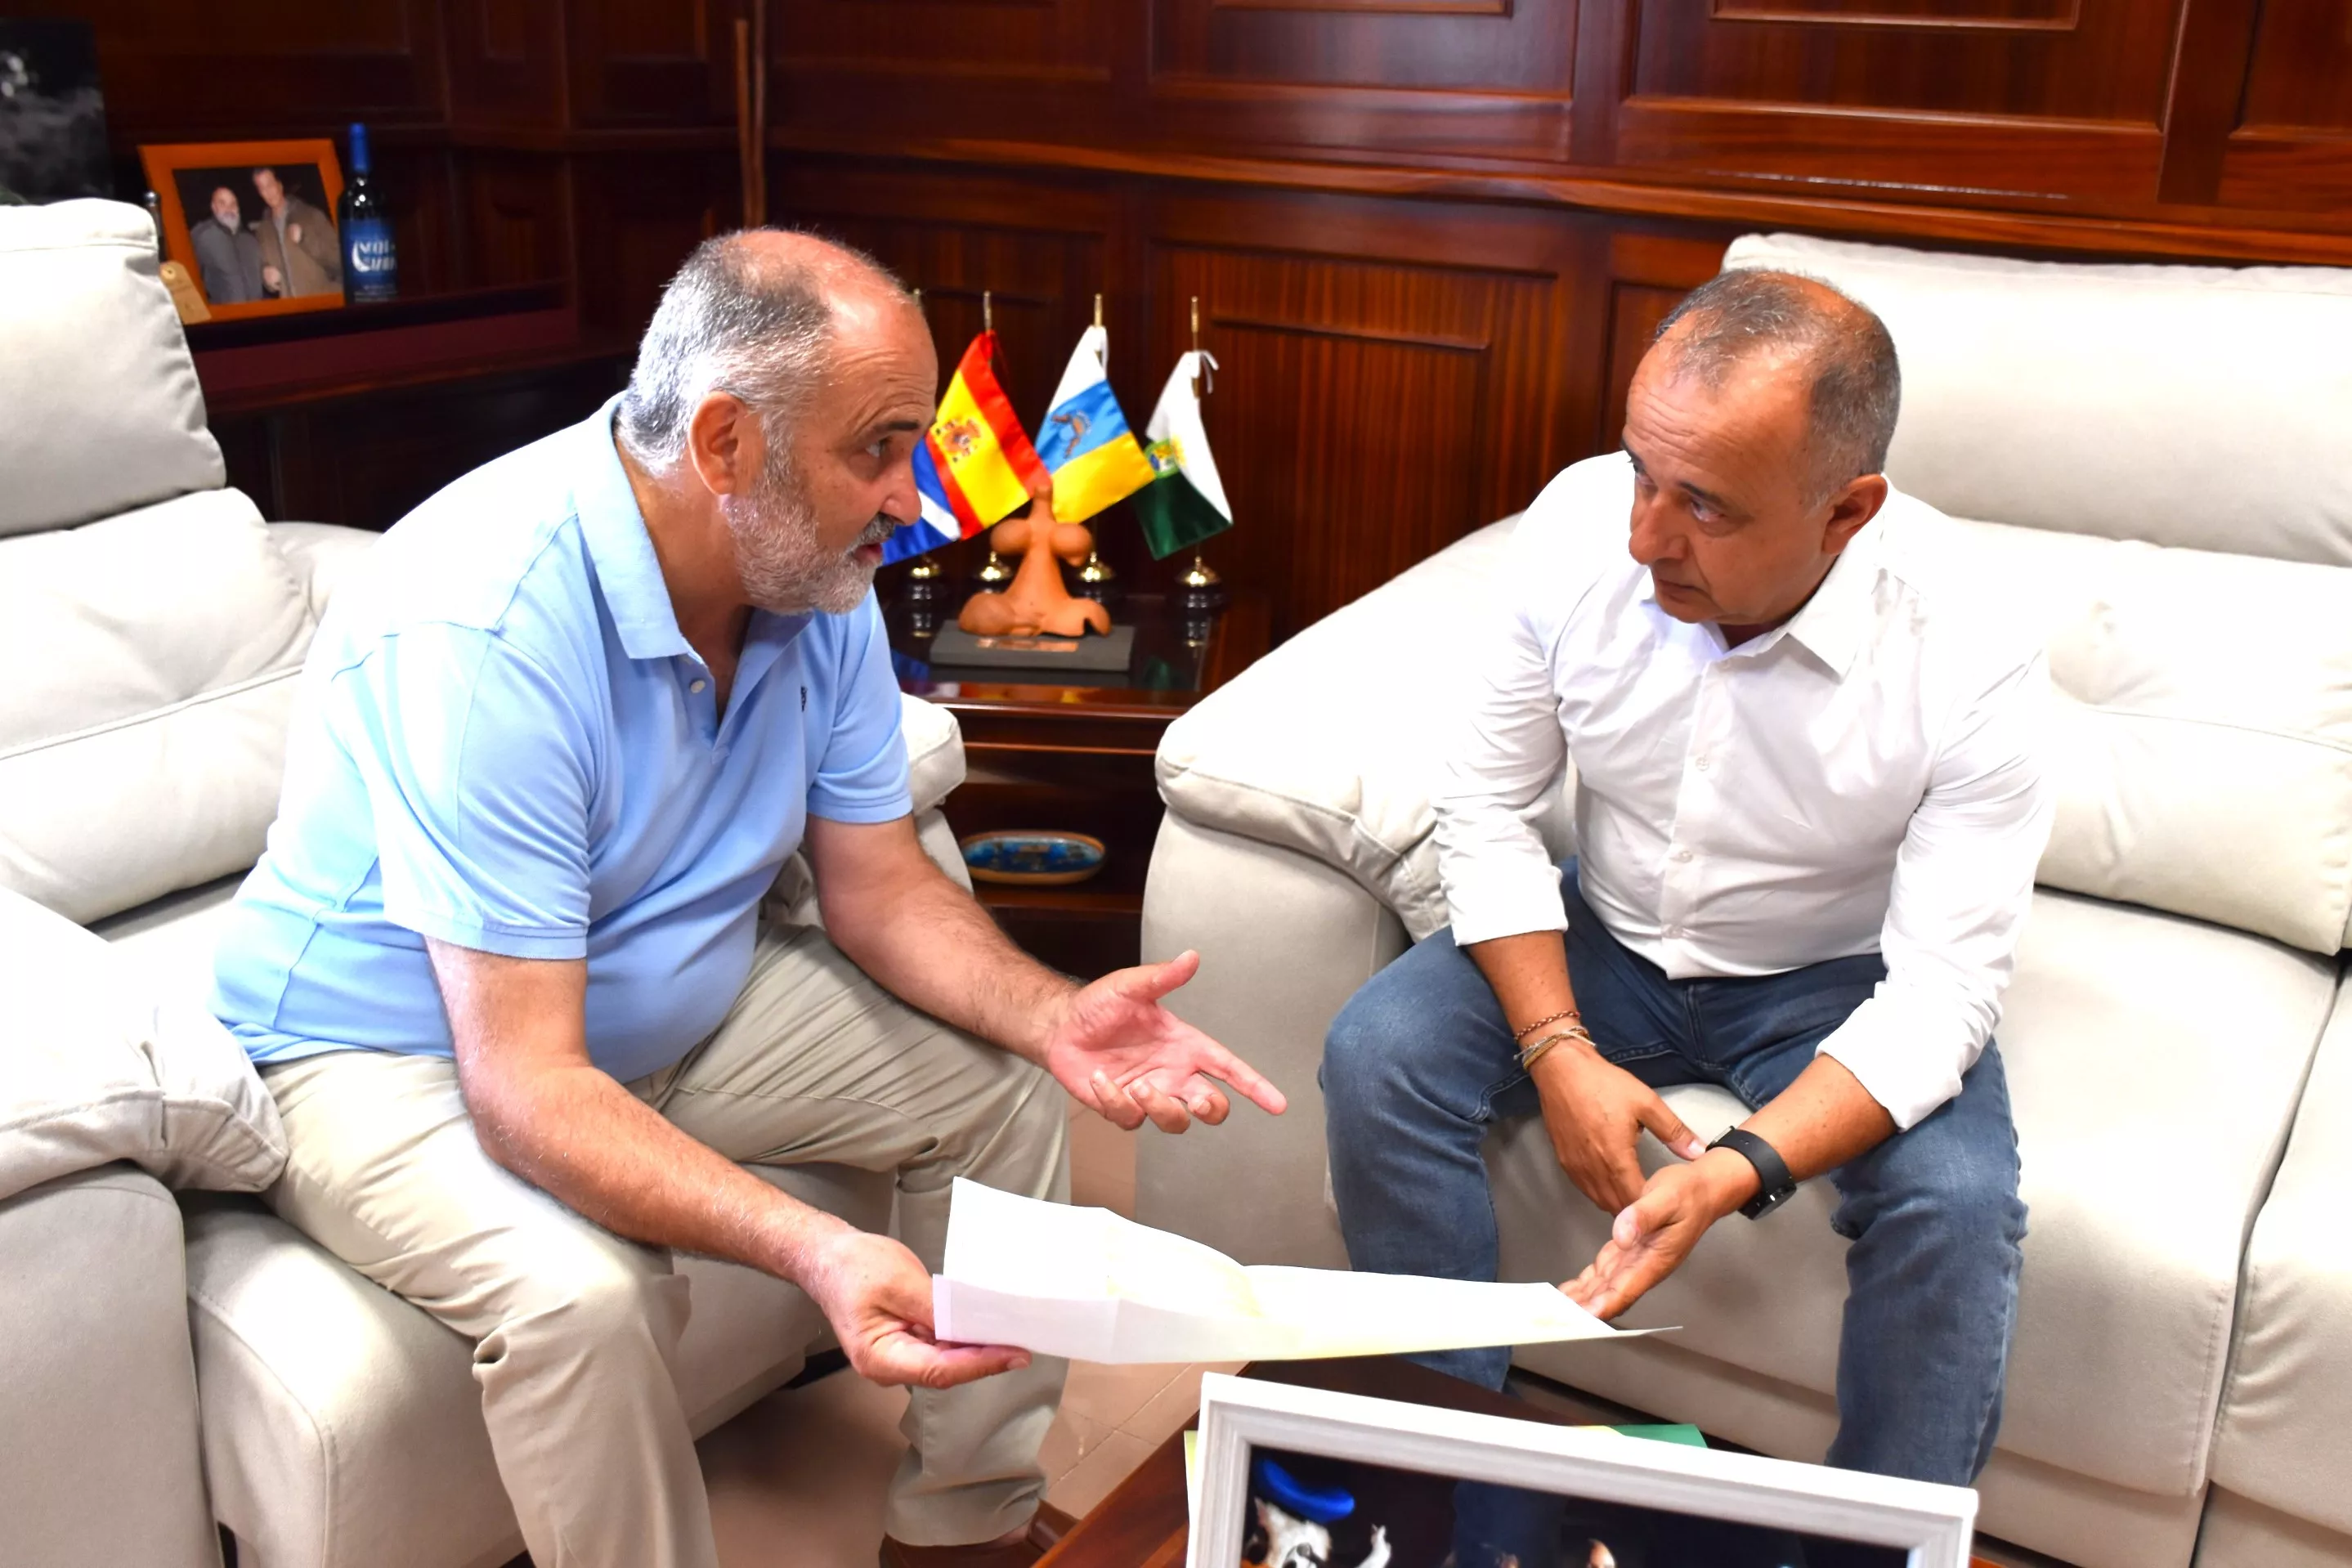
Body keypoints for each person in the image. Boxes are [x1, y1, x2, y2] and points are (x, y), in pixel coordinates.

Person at [208, 230, 1285, 1568]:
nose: (913, 496)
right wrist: (818, 1246)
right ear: (725, 445)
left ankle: (965, 1533)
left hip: (650, 1002)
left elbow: (878, 883)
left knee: (1007, 1083)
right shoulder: (484, 627)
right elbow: (527, 1081)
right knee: (579, 1304)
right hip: (391, 1046)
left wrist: (1057, 1013)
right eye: (878, 450)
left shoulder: (809, 569)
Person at [1322, 270, 2050, 1566]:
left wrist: (1742, 1165)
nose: (1647, 535)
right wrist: (1556, 1045)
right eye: (1640, 471)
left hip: (1836, 974)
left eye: (1704, 503)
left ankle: (1863, 1556)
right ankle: (1450, 1492)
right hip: (1601, 932)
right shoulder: (1575, 533)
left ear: (1847, 511)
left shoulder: (1973, 644)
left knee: (1958, 1204)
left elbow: (1942, 991)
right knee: (1379, 1053)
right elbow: (1485, 811)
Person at [249, 164, 338, 297]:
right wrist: (265, 275)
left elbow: (338, 259)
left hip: (321, 303)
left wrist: (305, 239)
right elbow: (263, 265)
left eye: (270, 185)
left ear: (280, 185)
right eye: (262, 188)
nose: (268, 192)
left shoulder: (311, 215)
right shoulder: (262, 231)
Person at [188, 184, 266, 303]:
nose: (229, 209)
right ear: (214, 207)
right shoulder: (203, 236)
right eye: (222, 204)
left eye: (233, 204)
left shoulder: (251, 240)